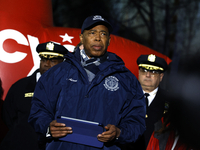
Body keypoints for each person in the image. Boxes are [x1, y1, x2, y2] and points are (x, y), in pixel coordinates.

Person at [28, 15, 146, 150]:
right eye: (92, 33)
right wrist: (48, 127)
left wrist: (119, 133)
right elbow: (38, 110)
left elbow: (136, 121)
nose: (98, 38)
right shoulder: (57, 73)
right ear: (81, 38)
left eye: (103, 33)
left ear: (109, 40)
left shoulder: (126, 79)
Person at [0, 41, 68, 150]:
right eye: (43, 59)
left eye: (53, 61)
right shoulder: (20, 87)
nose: (47, 64)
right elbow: (7, 118)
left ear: (62, 63)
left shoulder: (70, 89)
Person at [131, 54, 169, 149]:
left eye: (153, 72)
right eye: (144, 71)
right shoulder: (125, 95)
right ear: (139, 73)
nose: (148, 75)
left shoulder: (171, 101)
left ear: (161, 76)